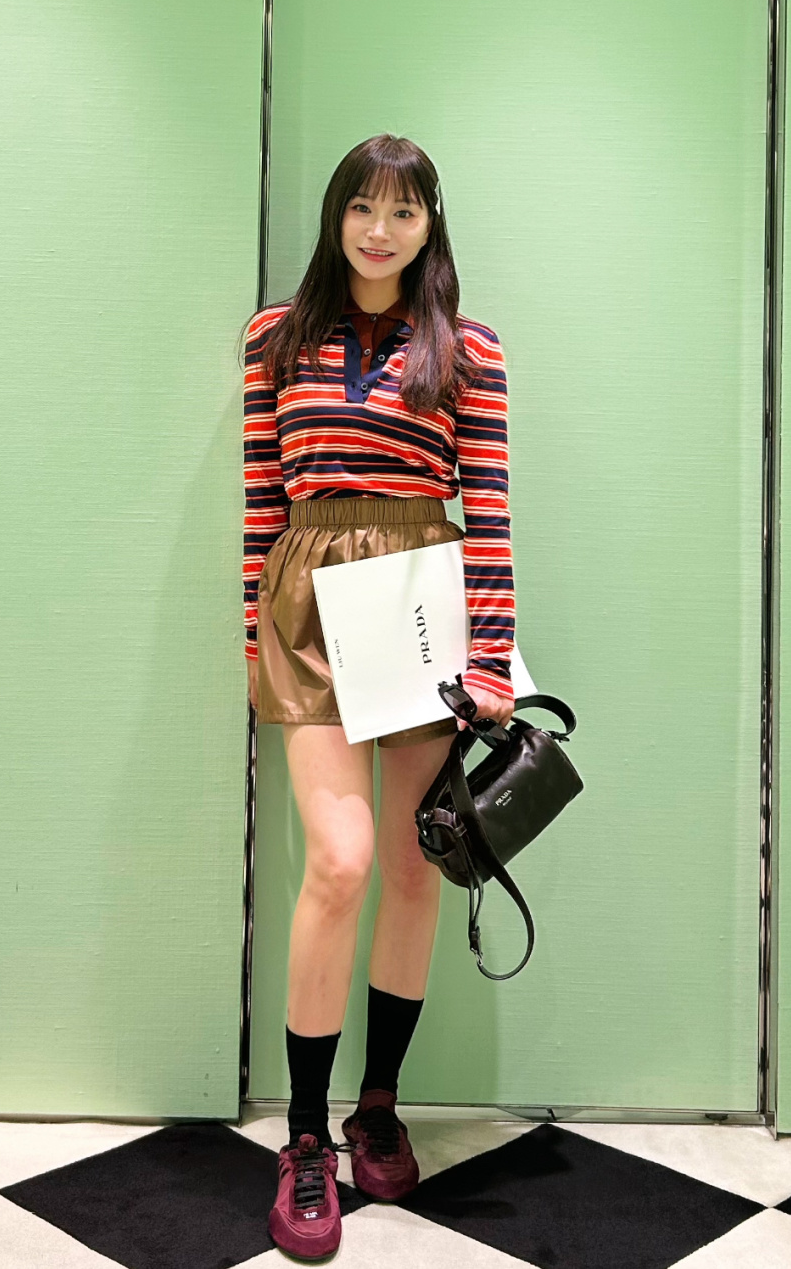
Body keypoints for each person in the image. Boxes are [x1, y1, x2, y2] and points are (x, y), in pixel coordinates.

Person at [240, 133, 515, 1259]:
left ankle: (378, 1108)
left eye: (404, 211)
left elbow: (487, 507)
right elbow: (263, 499)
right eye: (362, 206)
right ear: (335, 214)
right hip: (308, 604)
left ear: (430, 224)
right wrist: (250, 631)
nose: (380, 230)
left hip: (418, 605)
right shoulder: (275, 338)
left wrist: (491, 656)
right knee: (341, 860)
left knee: (410, 862)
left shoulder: (469, 349)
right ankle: (306, 1137)